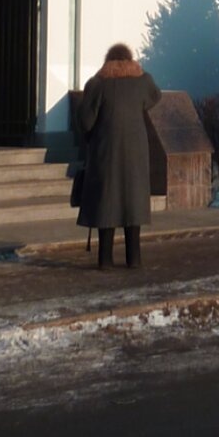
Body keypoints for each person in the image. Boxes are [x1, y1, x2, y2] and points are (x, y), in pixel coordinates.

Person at [72, 43, 161, 269]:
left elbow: (85, 121)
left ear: (107, 61)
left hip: (105, 152)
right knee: (133, 201)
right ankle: (134, 258)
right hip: (136, 152)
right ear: (130, 60)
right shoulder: (142, 82)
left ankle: (105, 259)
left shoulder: (97, 84)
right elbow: (155, 96)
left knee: (106, 202)